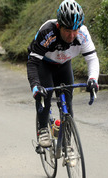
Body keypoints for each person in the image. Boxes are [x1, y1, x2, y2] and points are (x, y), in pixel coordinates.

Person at [27, 0, 99, 148]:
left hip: (64, 64)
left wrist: (93, 79)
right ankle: (43, 130)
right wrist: (35, 86)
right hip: (43, 64)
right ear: (59, 26)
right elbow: (32, 63)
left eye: (75, 30)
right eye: (67, 30)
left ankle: (67, 142)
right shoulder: (47, 32)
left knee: (67, 101)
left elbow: (92, 59)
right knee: (44, 96)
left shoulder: (83, 33)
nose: (72, 35)